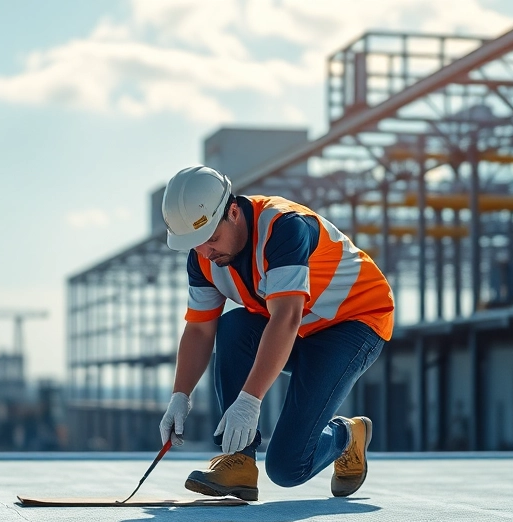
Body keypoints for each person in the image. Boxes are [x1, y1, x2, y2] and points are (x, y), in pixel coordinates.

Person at [157, 166, 394, 501]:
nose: (206, 252)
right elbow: (199, 329)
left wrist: (249, 401)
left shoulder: (283, 228)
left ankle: (346, 435)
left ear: (234, 212)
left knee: (288, 467)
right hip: (300, 330)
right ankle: (239, 460)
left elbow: (285, 318)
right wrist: (179, 396)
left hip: (353, 324)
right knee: (233, 326)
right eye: (195, 245)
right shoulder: (204, 258)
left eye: (211, 239)